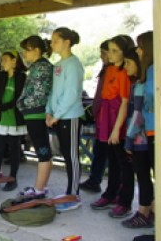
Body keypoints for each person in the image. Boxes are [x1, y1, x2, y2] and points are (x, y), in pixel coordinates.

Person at [91, 35, 134, 218]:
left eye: (115, 50)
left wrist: (116, 129)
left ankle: (125, 201)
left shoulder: (125, 72)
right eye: (109, 50)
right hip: (107, 118)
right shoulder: (109, 69)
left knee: (124, 163)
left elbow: (124, 102)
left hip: (119, 120)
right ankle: (110, 194)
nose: (110, 53)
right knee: (112, 160)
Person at [45, 27, 85, 212]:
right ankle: (69, 192)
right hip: (58, 117)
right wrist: (48, 111)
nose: (52, 44)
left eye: (55, 40)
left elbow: (71, 94)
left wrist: (57, 115)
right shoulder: (59, 64)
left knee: (72, 157)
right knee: (66, 155)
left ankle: (74, 195)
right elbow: (54, 91)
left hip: (70, 117)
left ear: (67, 42)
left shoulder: (74, 64)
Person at [122, 32, 154, 228]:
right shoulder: (139, 82)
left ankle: (144, 212)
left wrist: (128, 138)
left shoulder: (141, 84)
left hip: (141, 140)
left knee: (143, 176)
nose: (125, 67)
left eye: (128, 63)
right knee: (144, 177)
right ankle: (147, 211)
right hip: (144, 138)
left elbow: (138, 116)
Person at [16, 35, 53, 199]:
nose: (24, 53)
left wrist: (21, 104)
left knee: (43, 152)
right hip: (33, 114)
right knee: (43, 151)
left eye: (27, 50)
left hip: (36, 114)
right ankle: (40, 187)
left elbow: (39, 94)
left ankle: (39, 190)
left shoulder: (43, 67)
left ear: (37, 50)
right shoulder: (37, 66)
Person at [0, 50, 27, 191]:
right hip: (1, 119)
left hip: (15, 119)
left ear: (14, 61)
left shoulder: (22, 77)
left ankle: (12, 178)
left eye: (5, 60)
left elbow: (18, 100)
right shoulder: (1, 75)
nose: (3, 63)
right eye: (2, 60)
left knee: (14, 151)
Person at [80, 40, 110, 192]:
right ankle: (94, 179)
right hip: (101, 117)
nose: (101, 56)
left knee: (109, 154)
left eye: (104, 53)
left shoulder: (115, 71)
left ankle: (111, 187)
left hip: (109, 119)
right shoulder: (105, 69)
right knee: (99, 151)